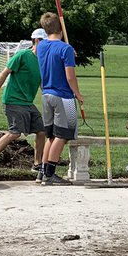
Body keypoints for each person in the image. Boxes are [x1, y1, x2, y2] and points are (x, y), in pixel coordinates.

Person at [0, 28, 47, 178]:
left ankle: (37, 165)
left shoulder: (42, 60)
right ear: (36, 41)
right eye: (44, 42)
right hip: (13, 100)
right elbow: (5, 72)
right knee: (15, 133)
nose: (46, 45)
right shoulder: (23, 55)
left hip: (28, 103)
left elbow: (41, 82)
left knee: (41, 131)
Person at [36, 12, 85, 185]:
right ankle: (50, 174)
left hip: (46, 94)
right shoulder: (65, 49)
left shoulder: (41, 46)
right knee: (62, 135)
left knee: (51, 136)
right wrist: (78, 94)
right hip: (63, 96)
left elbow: (49, 53)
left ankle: (42, 172)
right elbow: (70, 77)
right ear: (61, 29)